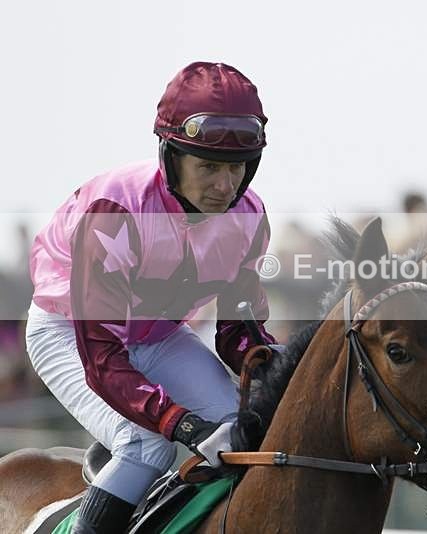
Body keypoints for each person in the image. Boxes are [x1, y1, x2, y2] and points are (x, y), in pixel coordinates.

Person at [25, 62, 276, 533]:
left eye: (236, 167)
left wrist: (276, 366)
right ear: (171, 156)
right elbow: (102, 357)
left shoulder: (249, 214)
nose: (225, 186)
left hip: (159, 333)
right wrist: (178, 423)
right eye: (208, 167)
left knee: (242, 430)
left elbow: (237, 331)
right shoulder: (115, 210)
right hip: (71, 335)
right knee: (147, 445)